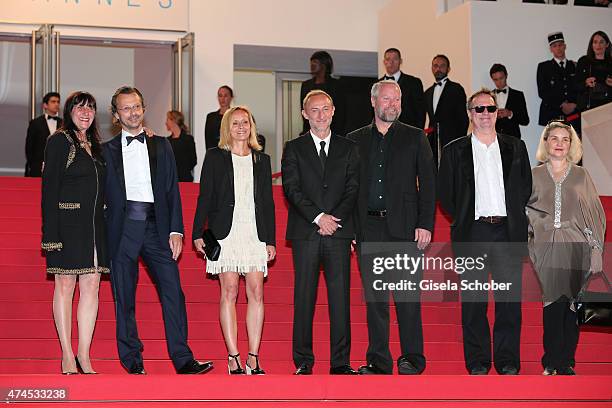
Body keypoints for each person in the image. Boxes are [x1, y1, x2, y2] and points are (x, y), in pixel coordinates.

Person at [103, 86, 213, 375]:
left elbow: (171, 192)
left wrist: (176, 230)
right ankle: (132, 360)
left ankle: (183, 359)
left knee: (173, 292)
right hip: (122, 229)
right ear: (116, 115)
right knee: (124, 297)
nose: (133, 112)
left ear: (144, 108)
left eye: (137, 106)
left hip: (155, 226)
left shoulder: (162, 145)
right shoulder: (105, 152)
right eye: (126, 108)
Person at [438, 88, 532, 375]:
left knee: (508, 303)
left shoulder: (516, 146)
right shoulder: (454, 150)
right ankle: (477, 361)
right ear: (469, 114)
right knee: (474, 303)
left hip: (507, 232)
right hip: (473, 233)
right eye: (478, 109)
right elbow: (447, 195)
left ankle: (507, 362)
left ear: (496, 112)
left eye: (490, 109)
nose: (485, 115)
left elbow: (525, 187)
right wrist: (466, 217)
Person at [347, 80, 436, 375]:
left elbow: (428, 184)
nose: (392, 105)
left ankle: (412, 359)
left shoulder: (415, 138)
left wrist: (425, 223)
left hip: (406, 229)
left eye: (396, 100)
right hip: (368, 229)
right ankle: (379, 361)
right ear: (374, 102)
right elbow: (348, 189)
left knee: (407, 298)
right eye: (386, 100)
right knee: (376, 300)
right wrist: (351, 229)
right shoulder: (355, 140)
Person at [192, 106, 276, 375]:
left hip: (254, 232)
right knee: (229, 291)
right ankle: (233, 357)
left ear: (251, 126)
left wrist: (270, 240)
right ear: (227, 128)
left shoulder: (263, 160)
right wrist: (196, 233)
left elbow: (268, 202)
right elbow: (204, 196)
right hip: (224, 233)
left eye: (245, 122)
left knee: (256, 293)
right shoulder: (215, 157)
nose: (241, 127)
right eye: (235, 123)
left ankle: (253, 356)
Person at [282, 90, 359, 375]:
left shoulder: (349, 147)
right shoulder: (293, 147)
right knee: (304, 298)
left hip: (338, 233)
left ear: (333, 110)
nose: (320, 114)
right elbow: (292, 189)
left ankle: (340, 362)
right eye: (314, 110)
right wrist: (318, 217)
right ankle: (303, 361)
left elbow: (353, 188)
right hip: (307, 233)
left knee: (340, 300)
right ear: (305, 114)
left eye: (325, 108)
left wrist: (333, 220)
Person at [527, 121, 606, 376]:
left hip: (576, 246)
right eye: (554, 138)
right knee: (553, 303)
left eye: (565, 139)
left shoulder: (581, 176)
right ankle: (551, 361)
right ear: (546, 143)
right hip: (545, 247)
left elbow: (594, 215)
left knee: (570, 304)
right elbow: (524, 211)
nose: (559, 143)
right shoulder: (534, 174)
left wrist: (596, 250)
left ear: (571, 145)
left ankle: (566, 361)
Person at [41, 91, 108, 375]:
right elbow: (49, 189)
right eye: (79, 108)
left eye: (90, 108)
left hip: (95, 227)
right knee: (65, 285)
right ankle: (67, 354)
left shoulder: (98, 145)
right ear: (69, 112)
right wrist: (51, 235)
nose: (85, 112)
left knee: (92, 285)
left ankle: (84, 354)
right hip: (67, 225)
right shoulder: (59, 141)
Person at [424, 55, 469, 165]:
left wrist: (460, 142)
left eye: (442, 66)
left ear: (448, 69)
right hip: (433, 142)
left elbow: (463, 118)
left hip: (452, 140)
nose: (438, 69)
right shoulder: (428, 92)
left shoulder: (456, 89)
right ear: (432, 68)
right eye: (435, 66)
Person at [536, 32, 579, 128]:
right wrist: (561, 104)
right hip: (552, 113)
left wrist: (574, 104)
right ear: (551, 49)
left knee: (574, 141)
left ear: (565, 46)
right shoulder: (544, 67)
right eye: (555, 46)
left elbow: (580, 88)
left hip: (573, 113)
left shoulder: (575, 66)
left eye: (560, 45)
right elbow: (542, 92)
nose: (558, 48)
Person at [300, 51, 346, 135]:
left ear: (324, 64)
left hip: (334, 131)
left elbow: (341, 112)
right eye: (311, 62)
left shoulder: (337, 85)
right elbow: (303, 108)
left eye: (315, 62)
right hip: (310, 131)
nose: (312, 65)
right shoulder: (306, 85)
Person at [379, 48, 426, 129]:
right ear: (384, 62)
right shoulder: (376, 85)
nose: (391, 62)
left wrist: (417, 136)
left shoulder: (414, 82)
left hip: (408, 134)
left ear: (400, 61)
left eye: (395, 59)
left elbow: (420, 112)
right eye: (388, 59)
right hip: (383, 135)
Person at [26, 92, 62, 177]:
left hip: (59, 168)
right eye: (53, 102)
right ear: (45, 105)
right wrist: (34, 165)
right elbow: (29, 147)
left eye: (58, 102)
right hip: (38, 168)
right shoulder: (35, 123)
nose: (56, 104)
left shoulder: (63, 124)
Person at [489, 63, 530, 138]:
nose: (499, 82)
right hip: (493, 139)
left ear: (506, 76)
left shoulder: (518, 95)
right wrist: (494, 116)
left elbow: (525, 120)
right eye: (496, 80)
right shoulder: (488, 97)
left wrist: (510, 114)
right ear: (492, 79)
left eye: (501, 78)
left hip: (513, 138)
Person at [576, 31, 612, 112]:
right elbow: (575, 85)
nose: (598, 45)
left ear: (607, 44)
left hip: (608, 109)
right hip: (588, 109)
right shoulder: (583, 61)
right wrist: (585, 82)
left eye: (601, 42)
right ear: (591, 45)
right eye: (595, 42)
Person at [166, 110, 197, 182]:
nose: (166, 122)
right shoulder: (167, 141)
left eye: (167, 119)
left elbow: (193, 160)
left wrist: (183, 169)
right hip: (171, 180)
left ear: (173, 121)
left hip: (185, 179)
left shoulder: (188, 139)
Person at [205, 85, 233, 150]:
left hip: (231, 153)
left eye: (225, 96)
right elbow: (208, 140)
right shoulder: (210, 117)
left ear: (231, 97)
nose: (222, 99)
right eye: (220, 96)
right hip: (214, 154)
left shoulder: (235, 116)